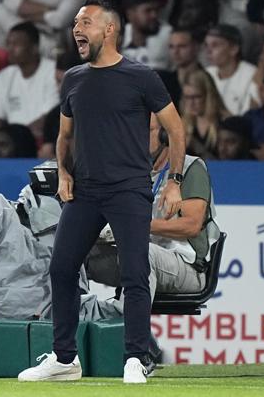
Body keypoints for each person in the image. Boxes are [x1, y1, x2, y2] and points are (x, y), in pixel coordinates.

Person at [17, 0, 185, 384]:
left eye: (86, 22)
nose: (77, 27)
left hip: (129, 189)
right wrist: (63, 173)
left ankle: (136, 358)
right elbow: (64, 136)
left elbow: (175, 129)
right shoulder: (74, 78)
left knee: (135, 272)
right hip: (86, 192)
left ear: (109, 30)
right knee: (61, 269)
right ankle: (64, 358)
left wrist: (173, 182)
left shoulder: (141, 76)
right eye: (76, 22)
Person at [86, 113, 219, 309]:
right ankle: (69, 321)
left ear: (166, 134)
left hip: (186, 267)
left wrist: (136, 226)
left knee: (141, 253)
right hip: (136, 257)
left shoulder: (191, 167)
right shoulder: (132, 172)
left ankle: (128, 330)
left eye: (145, 131)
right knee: (75, 250)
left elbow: (192, 226)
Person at [0, 22, 59, 140]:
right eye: (8, 44)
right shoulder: (3, 76)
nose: (10, 49)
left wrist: (22, 139)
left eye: (16, 44)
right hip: (13, 145)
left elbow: (49, 118)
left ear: (34, 48)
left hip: (43, 141)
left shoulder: (52, 72)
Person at [205, 24, 259, 116]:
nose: (208, 51)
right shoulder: (207, 73)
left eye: (215, 45)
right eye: (207, 45)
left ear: (234, 49)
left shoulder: (252, 75)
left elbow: (248, 117)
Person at [180, 69, 230, 160]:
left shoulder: (225, 122)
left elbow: (228, 164)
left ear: (208, 95)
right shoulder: (183, 125)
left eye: (196, 97)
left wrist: (196, 147)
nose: (191, 103)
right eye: (187, 97)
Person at [121, 0, 172, 70]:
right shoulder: (118, 35)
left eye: (156, 10)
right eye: (148, 11)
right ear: (130, 14)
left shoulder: (168, 34)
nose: (154, 15)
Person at [157, 28, 204, 104]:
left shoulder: (209, 78)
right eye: (171, 47)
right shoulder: (163, 82)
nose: (175, 51)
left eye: (182, 46)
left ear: (196, 47)